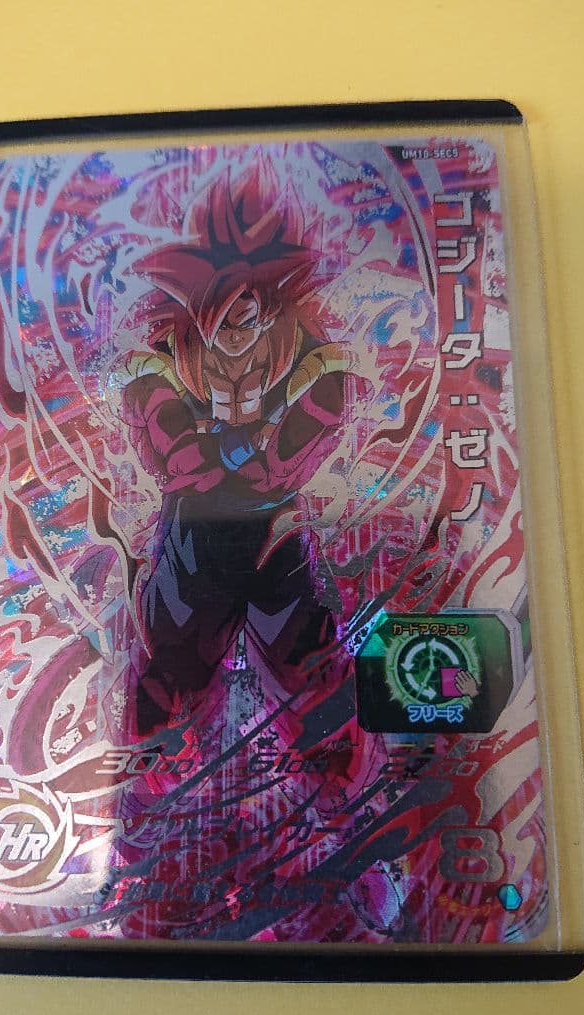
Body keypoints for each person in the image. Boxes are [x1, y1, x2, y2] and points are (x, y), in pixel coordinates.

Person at [121, 157, 367, 736]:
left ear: (268, 309)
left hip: (273, 522)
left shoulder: (306, 355)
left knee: (301, 653)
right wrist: (208, 458)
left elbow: (318, 418)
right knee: (176, 653)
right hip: (196, 522)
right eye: (221, 326)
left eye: (246, 322)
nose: (234, 338)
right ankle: (154, 752)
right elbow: (163, 433)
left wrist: (262, 464)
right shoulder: (167, 356)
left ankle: (334, 751)